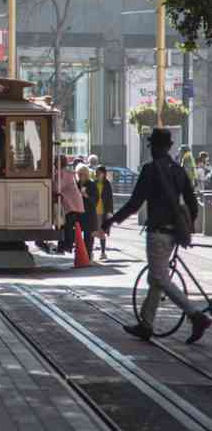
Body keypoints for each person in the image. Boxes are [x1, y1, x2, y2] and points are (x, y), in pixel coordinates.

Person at [105, 127, 211, 344]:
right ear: (169, 147)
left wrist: (112, 220)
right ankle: (146, 324)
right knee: (156, 278)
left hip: (158, 233)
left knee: (160, 278)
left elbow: (135, 203)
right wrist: (184, 225)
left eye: (151, 146)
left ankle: (195, 315)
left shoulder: (150, 170)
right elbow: (192, 204)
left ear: (154, 147)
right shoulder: (179, 171)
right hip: (173, 234)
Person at [54, 154, 84, 254]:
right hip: (75, 202)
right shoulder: (68, 172)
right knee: (68, 225)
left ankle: (65, 247)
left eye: (55, 162)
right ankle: (65, 247)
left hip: (69, 203)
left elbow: (57, 188)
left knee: (65, 225)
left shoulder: (60, 173)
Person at [76, 164, 98, 259]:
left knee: (88, 237)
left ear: (86, 174)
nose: (80, 176)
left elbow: (95, 200)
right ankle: (80, 255)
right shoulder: (76, 184)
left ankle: (88, 255)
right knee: (78, 236)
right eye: (78, 174)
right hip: (79, 214)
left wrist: (86, 196)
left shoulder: (92, 184)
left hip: (89, 214)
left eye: (82, 174)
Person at [94, 165, 114, 260]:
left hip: (103, 211)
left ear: (103, 174)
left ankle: (102, 252)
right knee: (93, 231)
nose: (97, 174)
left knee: (101, 232)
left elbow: (110, 199)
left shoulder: (107, 184)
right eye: (96, 172)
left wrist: (110, 212)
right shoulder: (93, 183)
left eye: (99, 172)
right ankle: (90, 252)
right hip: (93, 211)